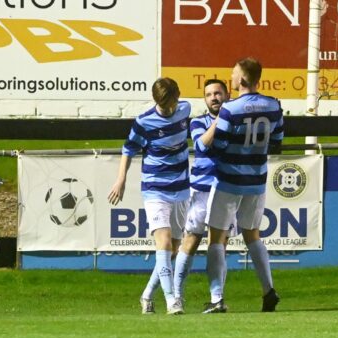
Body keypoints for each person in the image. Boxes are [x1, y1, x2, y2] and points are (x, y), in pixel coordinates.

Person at [205, 57, 284, 313]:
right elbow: (277, 141)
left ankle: (217, 298)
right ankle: (268, 290)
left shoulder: (231, 108)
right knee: (253, 235)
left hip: (229, 179)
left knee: (216, 238)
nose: (231, 78)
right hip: (257, 180)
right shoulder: (273, 105)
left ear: (241, 79)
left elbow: (220, 143)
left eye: (233, 74)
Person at [108, 77, 190, 315]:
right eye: (163, 105)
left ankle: (146, 296)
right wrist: (121, 179)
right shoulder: (144, 122)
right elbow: (128, 150)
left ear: (178, 97)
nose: (168, 109)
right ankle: (172, 300)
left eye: (171, 104)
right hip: (155, 189)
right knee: (163, 242)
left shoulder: (185, 110)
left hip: (182, 187)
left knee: (173, 250)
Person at [172, 79, 236, 313]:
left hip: (226, 188)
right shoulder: (198, 121)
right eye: (209, 94)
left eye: (218, 93)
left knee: (219, 243)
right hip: (201, 188)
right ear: (205, 99)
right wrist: (222, 119)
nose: (214, 98)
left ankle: (217, 299)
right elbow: (202, 146)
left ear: (227, 95)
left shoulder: (237, 122)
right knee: (190, 240)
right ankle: (176, 297)